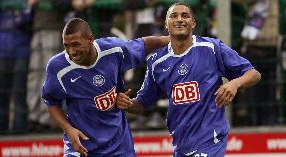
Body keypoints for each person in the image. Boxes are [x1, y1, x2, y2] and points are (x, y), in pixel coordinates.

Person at [116, 2, 261, 157]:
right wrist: (127, 104)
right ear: (166, 24)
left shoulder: (211, 48)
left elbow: (253, 74)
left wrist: (234, 83)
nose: (179, 19)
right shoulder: (157, 62)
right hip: (181, 145)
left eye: (185, 16)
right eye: (174, 16)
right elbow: (143, 103)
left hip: (210, 140)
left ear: (193, 23)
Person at [41, 17, 169, 156]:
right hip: (82, 148)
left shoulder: (113, 50)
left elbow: (144, 44)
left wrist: (175, 39)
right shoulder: (58, 67)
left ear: (90, 39)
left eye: (76, 44)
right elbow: (51, 101)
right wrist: (68, 129)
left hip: (118, 146)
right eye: (67, 46)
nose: (72, 51)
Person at [27, 0, 65, 132]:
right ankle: (33, 116)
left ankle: (46, 118)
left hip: (53, 27)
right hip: (37, 28)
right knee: (34, 74)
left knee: (47, 74)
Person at [0, 0, 32, 135]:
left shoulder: (24, 3)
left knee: (19, 93)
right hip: (1, 50)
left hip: (21, 50)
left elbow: (27, 19)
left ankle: (19, 129)